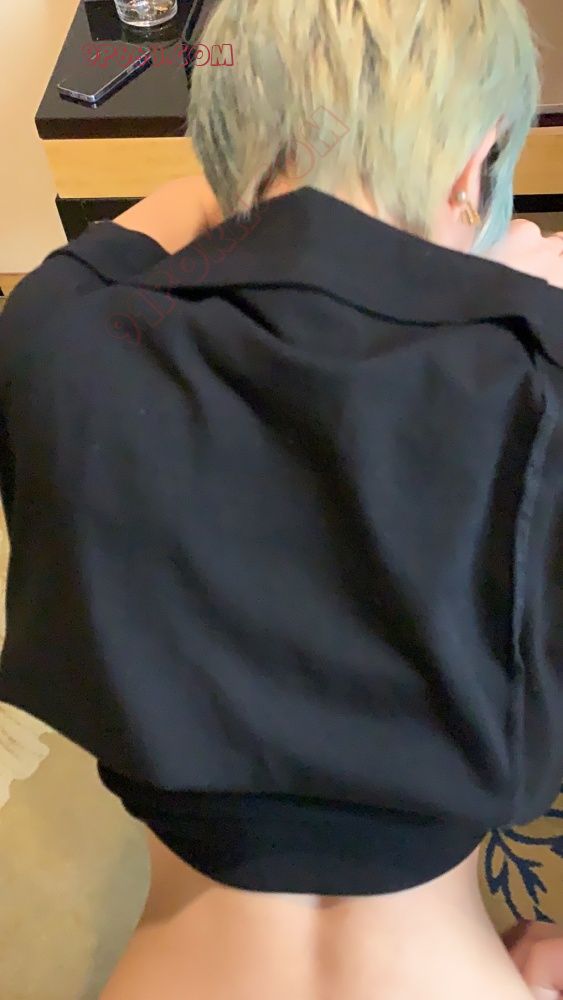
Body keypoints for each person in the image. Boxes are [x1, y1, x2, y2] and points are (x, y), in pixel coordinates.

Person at [0, 0, 562, 996]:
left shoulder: (50, 342)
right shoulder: (542, 377)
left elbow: (163, 216)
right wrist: (518, 298)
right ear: (475, 168)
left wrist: (265, 169)